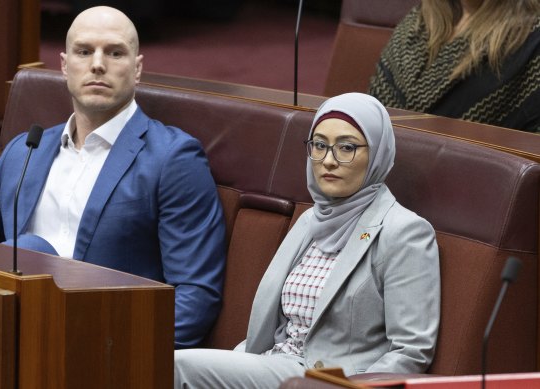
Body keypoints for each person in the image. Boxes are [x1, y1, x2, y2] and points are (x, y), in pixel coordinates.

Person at [0, 6, 226, 349]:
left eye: (115, 53)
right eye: (84, 52)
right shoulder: (24, 151)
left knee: (28, 249)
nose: (98, 64)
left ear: (138, 68)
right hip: (7, 337)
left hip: (106, 342)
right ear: (65, 65)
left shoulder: (173, 158)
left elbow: (196, 295)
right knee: (27, 250)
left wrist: (120, 358)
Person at [174, 92, 440, 388]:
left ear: (377, 153)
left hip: (330, 381)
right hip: (277, 364)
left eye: (347, 148)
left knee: (178, 366)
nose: (328, 160)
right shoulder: (310, 220)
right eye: (320, 145)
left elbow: (410, 350)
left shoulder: (404, 231)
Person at [369, 0, 540, 132]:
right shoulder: (418, 18)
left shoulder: (532, 38)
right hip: (383, 167)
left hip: (472, 173)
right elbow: (372, 114)